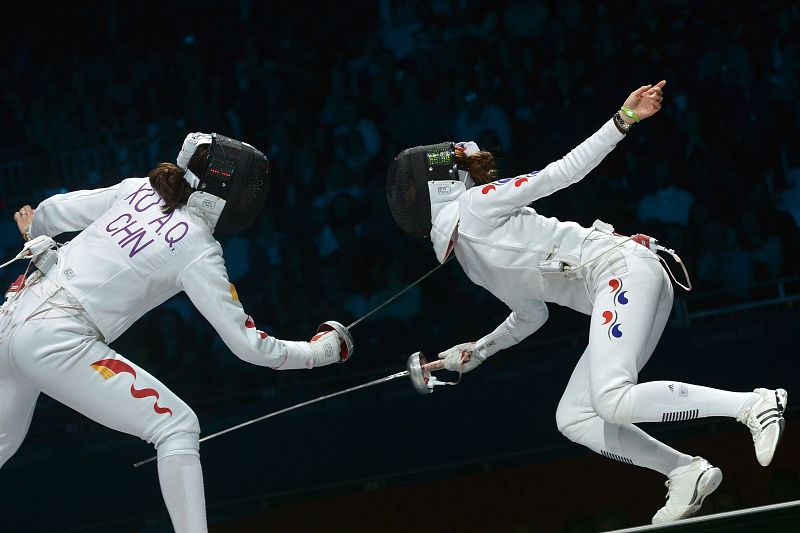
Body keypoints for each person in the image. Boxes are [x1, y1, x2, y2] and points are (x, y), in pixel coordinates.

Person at [385, 81, 787, 524]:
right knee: (574, 417)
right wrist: (478, 351)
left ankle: (754, 404)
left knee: (611, 398)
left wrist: (624, 120)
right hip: (621, 290)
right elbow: (529, 315)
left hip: (620, 268)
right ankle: (685, 471)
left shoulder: (477, 203)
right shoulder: (471, 262)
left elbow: (562, 173)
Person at [0, 132, 352, 533]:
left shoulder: (137, 191)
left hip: (10, 319)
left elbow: (49, 212)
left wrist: (33, 230)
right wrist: (318, 353)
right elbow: (250, 347)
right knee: (176, 427)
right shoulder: (198, 248)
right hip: (54, 340)